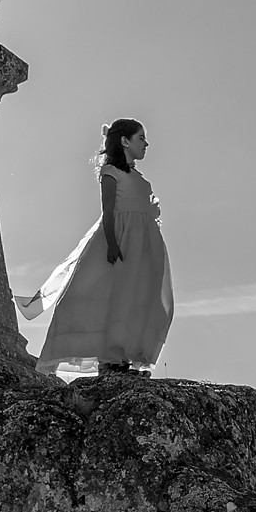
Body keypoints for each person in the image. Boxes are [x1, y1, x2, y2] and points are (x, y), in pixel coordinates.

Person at [21, 119, 174, 376]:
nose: (146, 144)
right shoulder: (111, 173)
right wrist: (113, 244)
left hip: (144, 245)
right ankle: (110, 359)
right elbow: (109, 211)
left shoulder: (137, 176)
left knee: (139, 298)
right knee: (110, 296)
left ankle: (125, 356)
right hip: (120, 239)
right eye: (140, 138)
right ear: (125, 141)